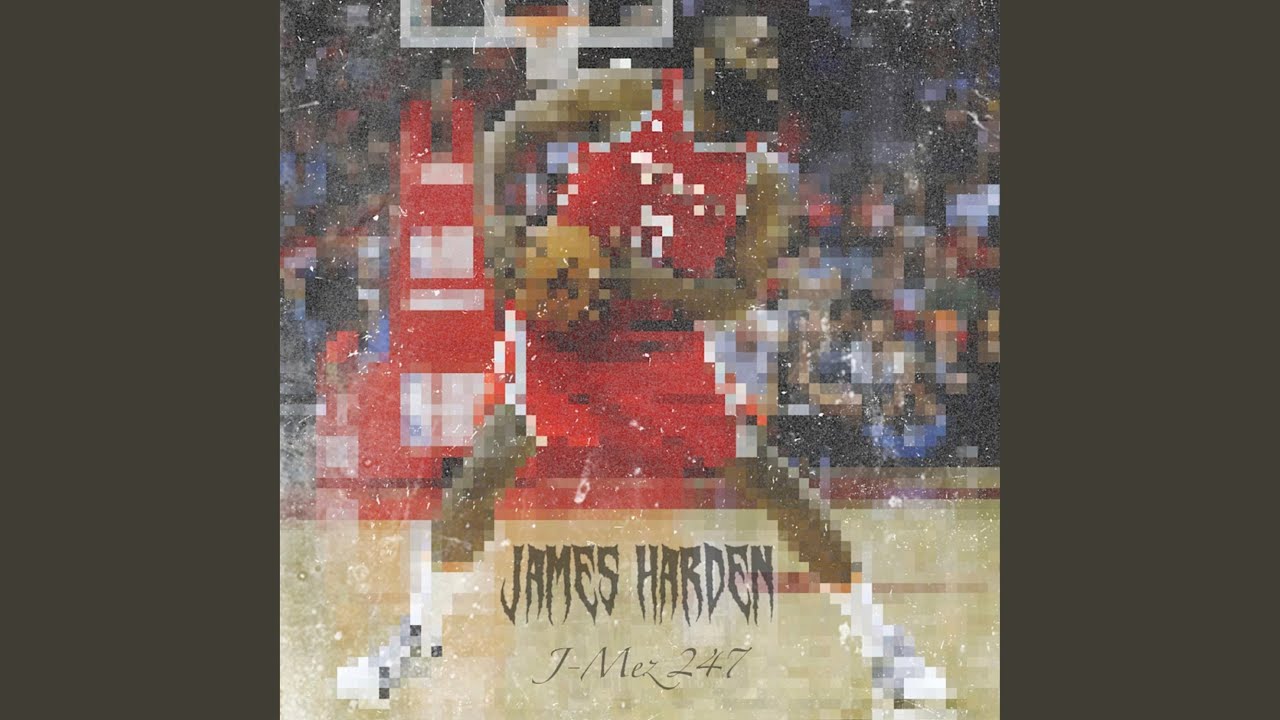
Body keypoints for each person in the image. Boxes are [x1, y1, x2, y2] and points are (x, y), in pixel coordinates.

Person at [338, 12, 955, 716]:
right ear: (708, 53)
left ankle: (884, 647)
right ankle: (416, 636)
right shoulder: (633, 96)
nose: (761, 57)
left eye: (769, 51)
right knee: (484, 469)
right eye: (749, 42)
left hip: (661, 345)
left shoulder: (761, 179)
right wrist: (501, 233)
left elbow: (734, 296)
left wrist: (647, 282)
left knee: (776, 484)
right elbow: (508, 132)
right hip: (565, 336)